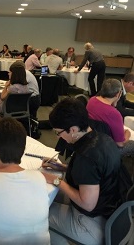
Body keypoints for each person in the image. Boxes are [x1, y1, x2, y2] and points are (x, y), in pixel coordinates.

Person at [42, 97, 121, 245]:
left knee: (39, 212)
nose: (59, 136)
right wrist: (61, 167)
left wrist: (55, 180)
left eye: (58, 133)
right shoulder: (101, 137)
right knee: (49, 198)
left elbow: (87, 204)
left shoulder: (87, 156)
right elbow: (94, 175)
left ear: (72, 130)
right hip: (109, 211)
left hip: (91, 223)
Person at [86, 78, 134, 155]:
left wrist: (114, 104)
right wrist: (127, 133)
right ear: (118, 94)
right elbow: (120, 144)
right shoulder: (114, 114)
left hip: (91, 142)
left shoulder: (91, 100)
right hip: (107, 149)